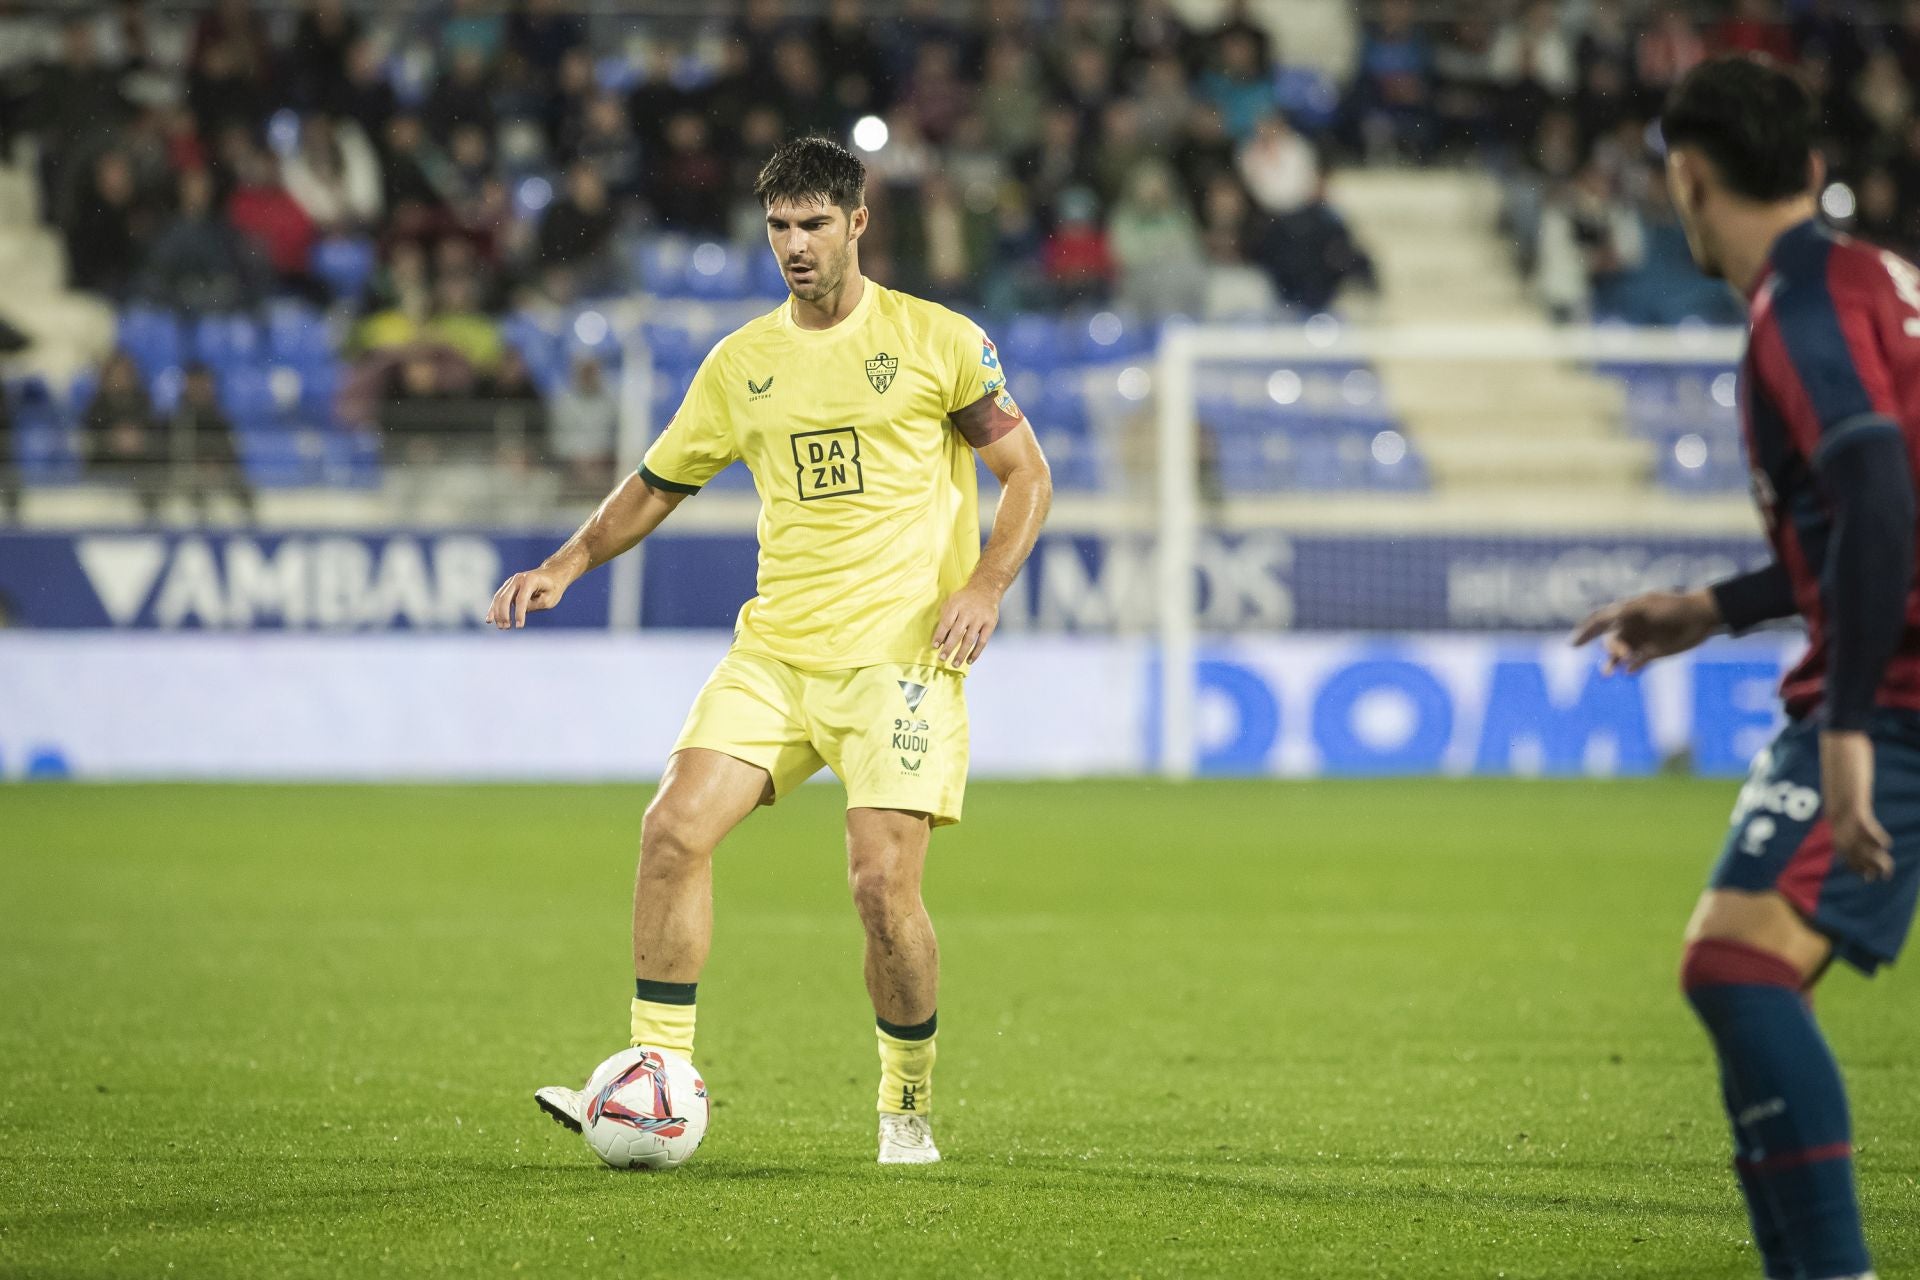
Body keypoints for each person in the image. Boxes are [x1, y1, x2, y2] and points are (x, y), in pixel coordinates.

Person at [488, 137, 1052, 1165]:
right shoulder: (741, 363)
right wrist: (566, 564)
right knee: (670, 830)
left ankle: (905, 1103)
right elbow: (658, 481)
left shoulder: (938, 341)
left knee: (882, 887)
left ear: (857, 222)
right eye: (778, 227)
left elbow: (1028, 475)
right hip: (778, 653)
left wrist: (984, 585)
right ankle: (654, 1073)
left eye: (812, 225)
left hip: (898, 663)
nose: (793, 246)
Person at [1575, 55, 1920, 1280]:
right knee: (1754, 968)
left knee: (1737, 962)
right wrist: (1711, 609)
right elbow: (1867, 513)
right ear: (1816, 171)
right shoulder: (1868, 276)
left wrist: (1846, 722)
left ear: (1690, 177)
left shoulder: (1799, 308)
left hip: (1901, 693)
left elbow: (1880, 486)